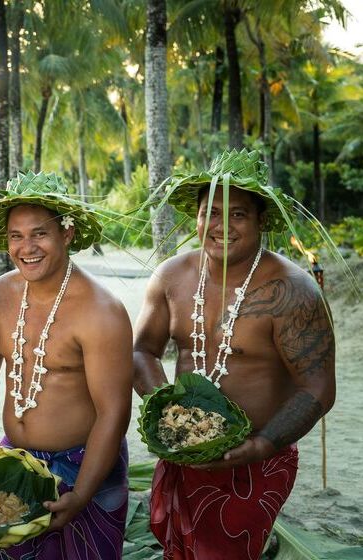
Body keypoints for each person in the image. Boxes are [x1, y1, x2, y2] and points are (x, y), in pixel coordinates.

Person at [133, 149, 335, 560]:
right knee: (178, 550)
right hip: (182, 451)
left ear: (261, 220)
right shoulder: (171, 277)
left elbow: (318, 387)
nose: (221, 226)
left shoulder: (292, 290)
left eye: (238, 214)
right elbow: (141, 351)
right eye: (210, 213)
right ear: (196, 218)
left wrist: (261, 445)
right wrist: (168, 415)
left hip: (258, 458)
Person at [0, 171, 133, 559]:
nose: (26, 247)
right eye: (16, 236)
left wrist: (81, 493)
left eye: (39, 234)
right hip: (17, 464)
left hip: (87, 465)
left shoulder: (101, 311)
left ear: (67, 233)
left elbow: (114, 413)